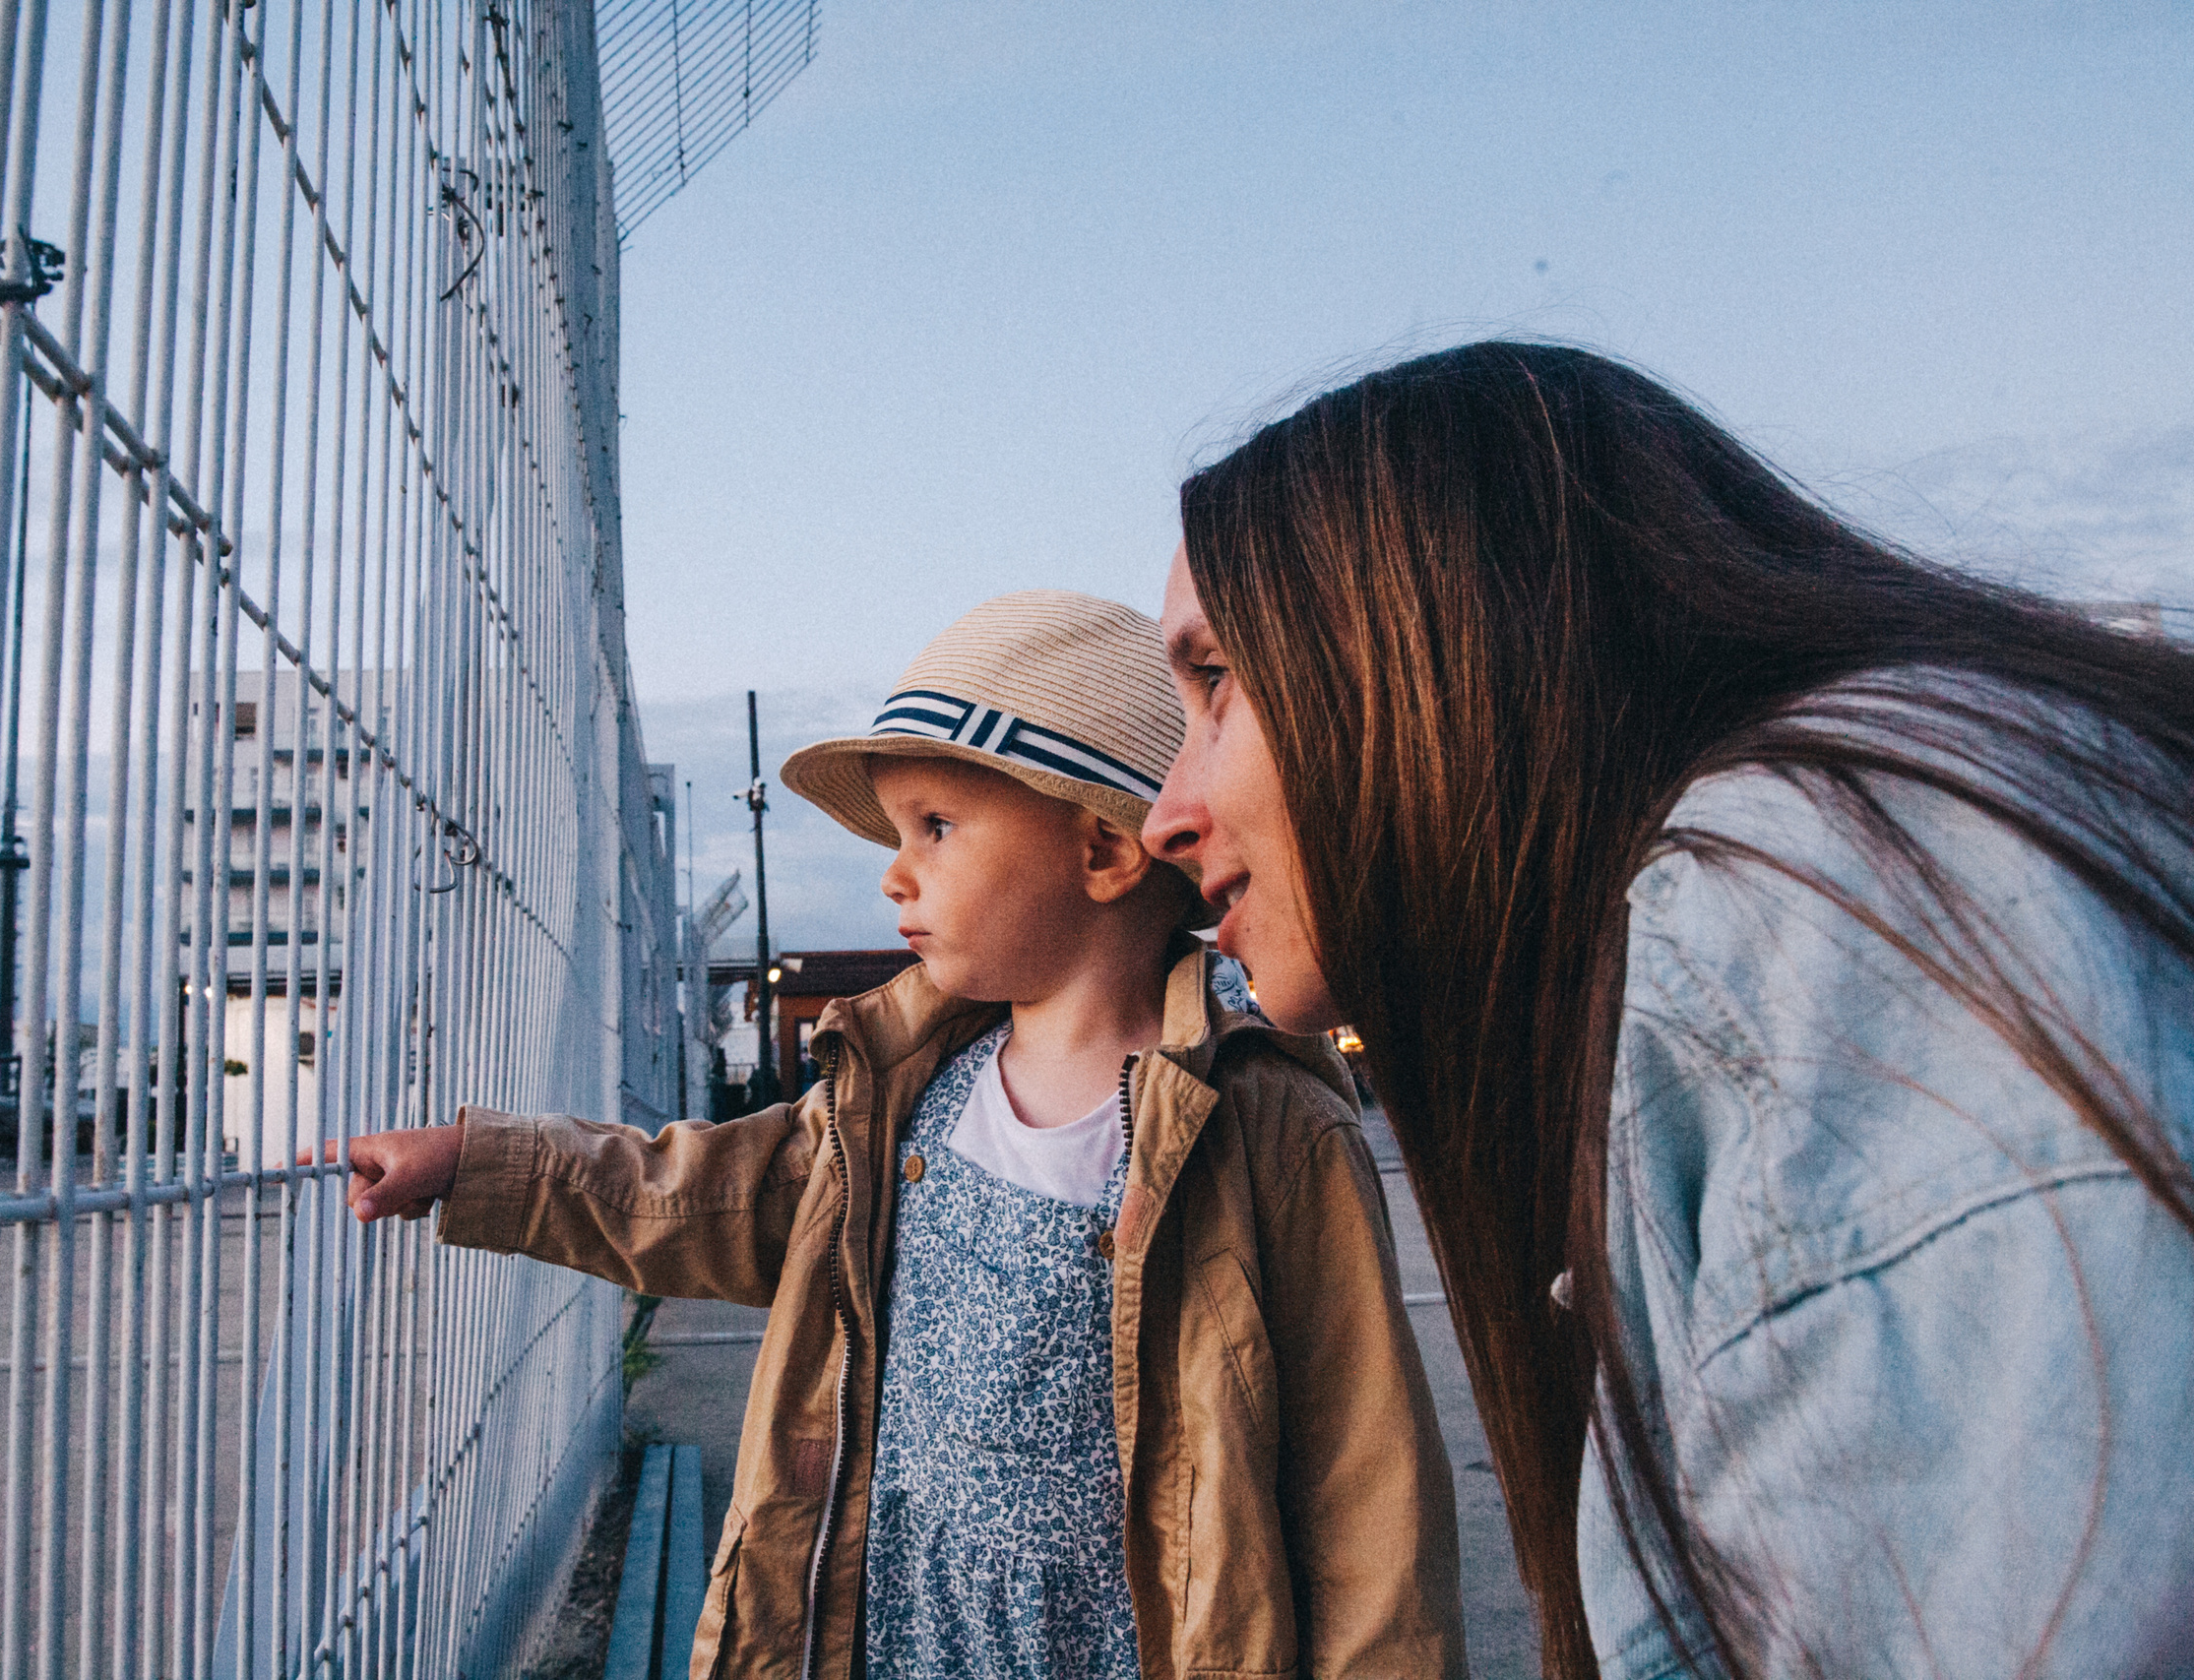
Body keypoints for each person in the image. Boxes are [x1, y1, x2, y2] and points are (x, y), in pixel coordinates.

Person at [1141, 342, 2194, 1680]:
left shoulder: (1827, 893)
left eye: (1218, 678)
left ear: (1444, 630)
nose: (1167, 810)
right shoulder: (1798, 895)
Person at [336, 591, 1467, 1679]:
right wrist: (485, 1165)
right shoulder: (906, 1093)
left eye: (937, 825)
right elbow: (706, 1195)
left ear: (1104, 855)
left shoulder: (1264, 1121)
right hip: (898, 1617)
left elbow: (1363, 1484)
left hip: (1135, 1636)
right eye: (894, 831)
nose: (894, 870)